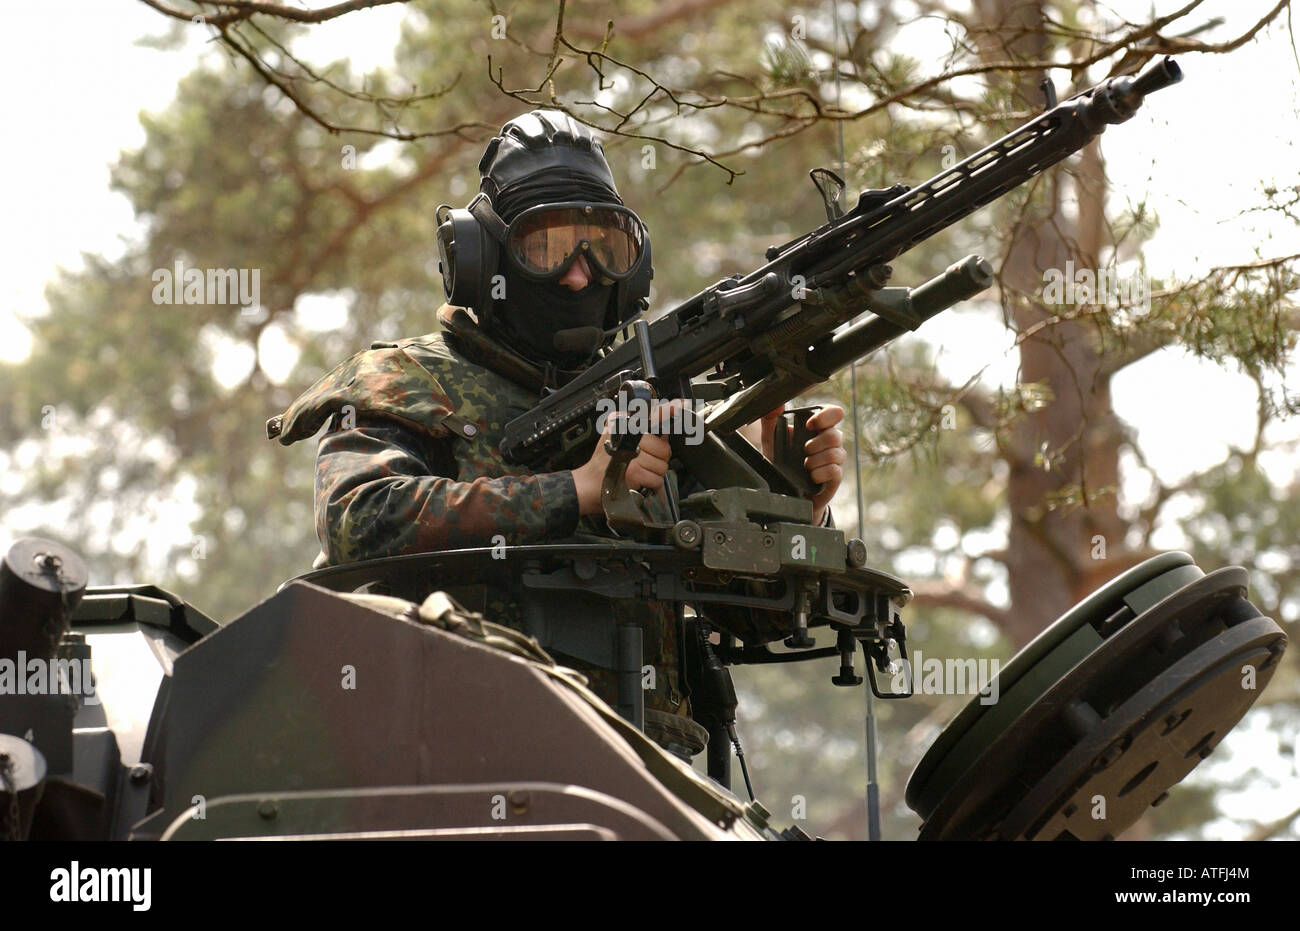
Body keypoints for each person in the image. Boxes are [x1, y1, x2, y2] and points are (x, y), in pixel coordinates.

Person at [267, 109, 846, 759]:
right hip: (442, 767)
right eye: (547, 247)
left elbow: (761, 617)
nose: (579, 273)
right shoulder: (404, 379)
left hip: (647, 784)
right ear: (478, 255)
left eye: (605, 249)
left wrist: (794, 503)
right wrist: (576, 491)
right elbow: (358, 521)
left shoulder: (641, 408)